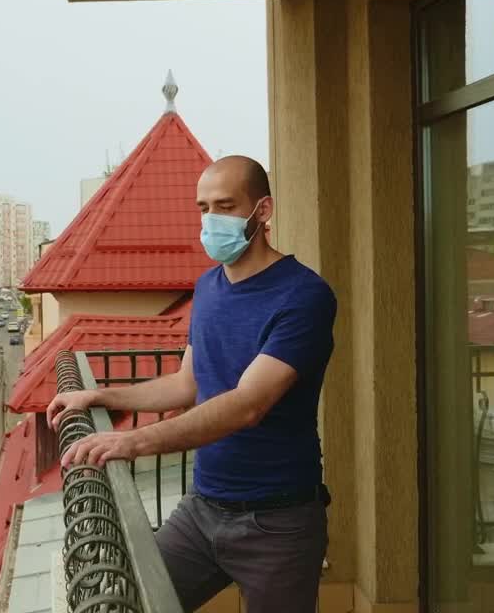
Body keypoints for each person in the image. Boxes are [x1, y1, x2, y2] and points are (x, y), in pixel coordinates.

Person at [49, 155, 336, 613]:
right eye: (203, 207)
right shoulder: (208, 287)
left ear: (262, 211)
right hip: (202, 510)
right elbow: (187, 384)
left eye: (224, 206)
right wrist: (102, 395)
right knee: (131, 601)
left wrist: (132, 442)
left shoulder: (303, 296)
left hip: (278, 522)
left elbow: (247, 405)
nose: (210, 220)